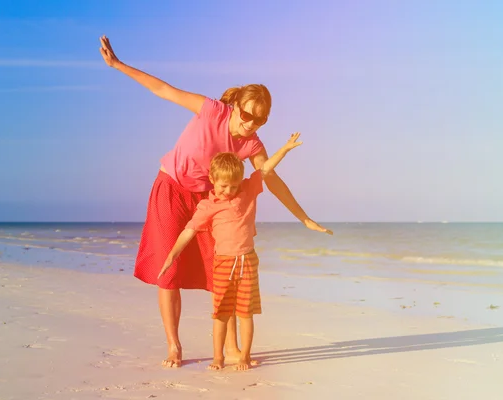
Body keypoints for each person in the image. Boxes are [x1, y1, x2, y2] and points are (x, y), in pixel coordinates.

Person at [99, 35, 333, 368]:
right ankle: (173, 345)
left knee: (221, 268)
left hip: (209, 199)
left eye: (260, 120)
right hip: (170, 187)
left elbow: (270, 177)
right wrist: (118, 65)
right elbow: (164, 90)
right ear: (237, 106)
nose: (251, 124)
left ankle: (234, 347)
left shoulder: (252, 145)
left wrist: (304, 217)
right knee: (170, 268)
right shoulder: (213, 111)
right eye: (248, 115)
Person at [158, 133, 302, 370]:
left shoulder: (247, 190)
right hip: (223, 263)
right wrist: (172, 255)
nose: (229, 190)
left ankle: (244, 355)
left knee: (246, 313)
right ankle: (218, 357)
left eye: (233, 185)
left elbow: (264, 169)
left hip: (247, 261)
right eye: (224, 185)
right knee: (221, 314)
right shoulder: (207, 206)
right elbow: (189, 231)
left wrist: (284, 149)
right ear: (212, 179)